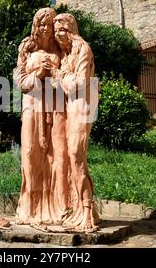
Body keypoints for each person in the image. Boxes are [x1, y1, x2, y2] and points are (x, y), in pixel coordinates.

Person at [45, 13, 99, 232]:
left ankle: (87, 213)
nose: (58, 36)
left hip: (82, 108)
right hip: (71, 109)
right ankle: (80, 208)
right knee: (71, 157)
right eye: (56, 32)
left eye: (62, 31)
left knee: (77, 156)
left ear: (71, 30)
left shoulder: (83, 49)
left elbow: (78, 83)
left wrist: (57, 74)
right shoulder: (67, 54)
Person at [13, 8, 68, 225]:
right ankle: (30, 205)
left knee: (55, 154)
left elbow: (68, 74)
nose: (46, 28)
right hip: (32, 103)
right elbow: (19, 79)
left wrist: (54, 75)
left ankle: (58, 204)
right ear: (37, 25)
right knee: (30, 151)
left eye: (50, 24)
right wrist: (38, 74)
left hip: (55, 105)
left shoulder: (60, 48)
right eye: (42, 24)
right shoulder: (27, 46)